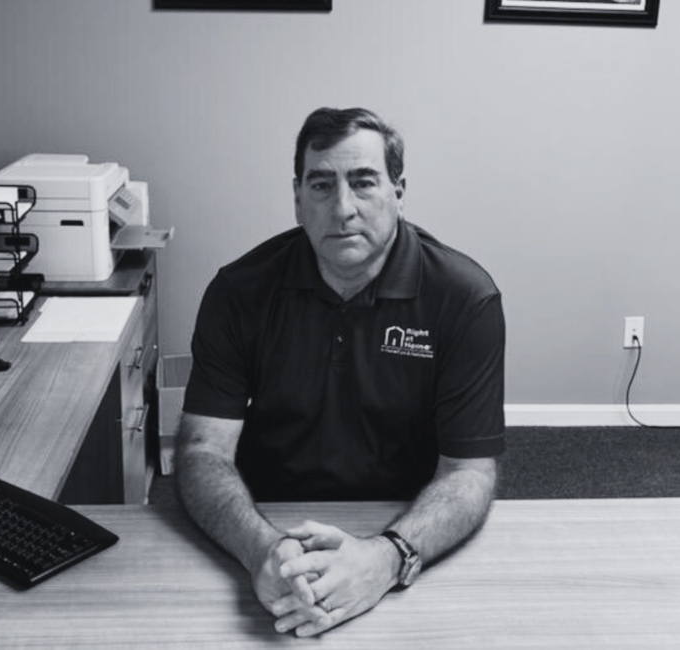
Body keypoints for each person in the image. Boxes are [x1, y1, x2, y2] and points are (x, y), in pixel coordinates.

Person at [175, 107, 505, 637]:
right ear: (298, 197)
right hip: (267, 518)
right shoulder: (238, 292)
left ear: (399, 190)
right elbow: (200, 452)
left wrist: (386, 558)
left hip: (409, 520)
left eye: (364, 182)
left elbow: (468, 472)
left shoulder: (465, 299)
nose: (343, 208)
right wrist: (263, 550)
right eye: (322, 185)